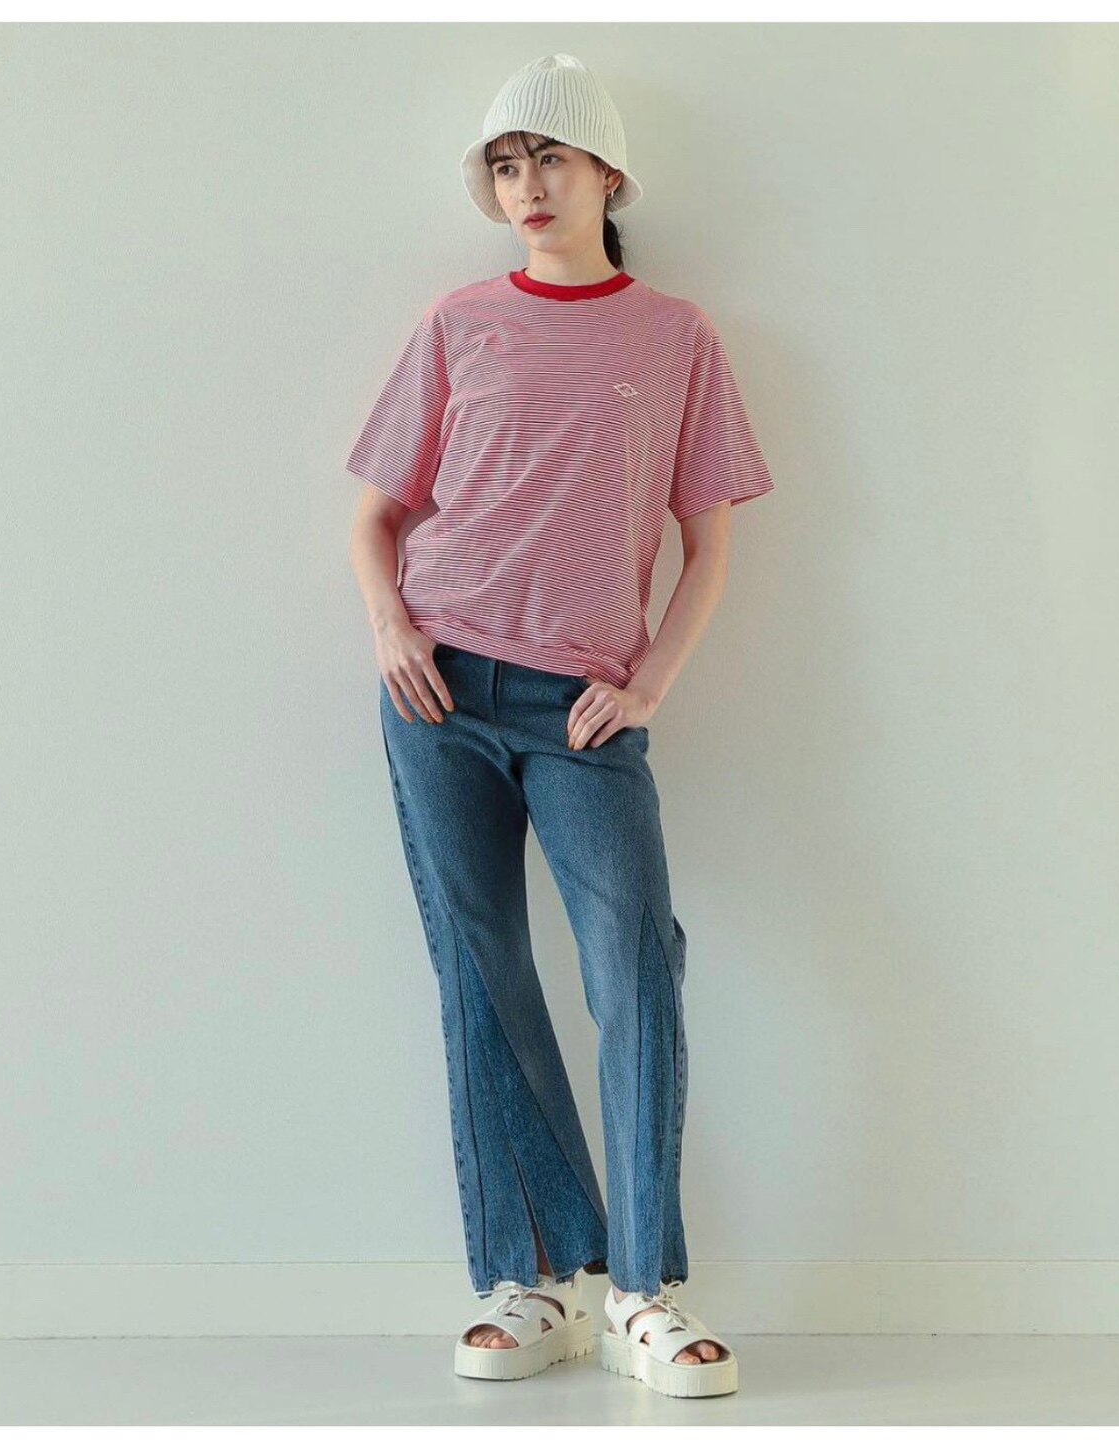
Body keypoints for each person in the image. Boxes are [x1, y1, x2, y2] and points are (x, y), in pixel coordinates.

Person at [346, 53, 773, 1399]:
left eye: (549, 159)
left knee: (635, 967)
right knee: (480, 972)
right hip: (437, 690)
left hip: (584, 709)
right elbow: (376, 515)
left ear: (607, 175)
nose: (526, 186)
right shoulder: (459, 322)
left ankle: (643, 1290)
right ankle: (532, 1281)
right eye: (505, 166)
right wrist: (392, 629)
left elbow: (709, 544)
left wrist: (648, 688)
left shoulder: (676, 337)